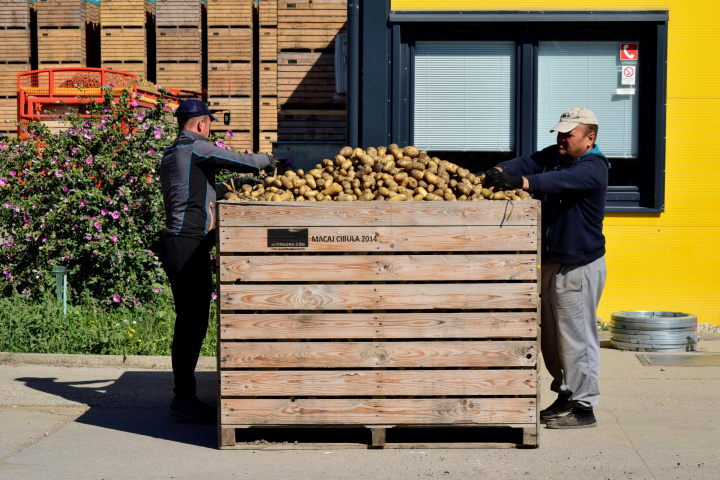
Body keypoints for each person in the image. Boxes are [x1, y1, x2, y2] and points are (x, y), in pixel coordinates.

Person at [483, 107, 608, 429]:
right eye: (560, 133)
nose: (562, 139)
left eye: (569, 134)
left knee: (577, 339)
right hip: (553, 263)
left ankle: (584, 407)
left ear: (589, 138)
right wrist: (500, 170)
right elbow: (527, 162)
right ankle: (566, 394)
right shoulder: (557, 155)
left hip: (578, 266)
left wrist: (522, 182)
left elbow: (559, 182)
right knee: (552, 340)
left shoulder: (593, 167)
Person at [159, 99, 275, 423]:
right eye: (209, 124)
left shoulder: (172, 153)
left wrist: (233, 187)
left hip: (179, 244)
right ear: (200, 124)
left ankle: (183, 394)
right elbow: (236, 159)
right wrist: (267, 161)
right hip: (187, 245)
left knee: (190, 320)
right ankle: (183, 398)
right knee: (191, 323)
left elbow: (197, 193)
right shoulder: (196, 147)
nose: (209, 130)